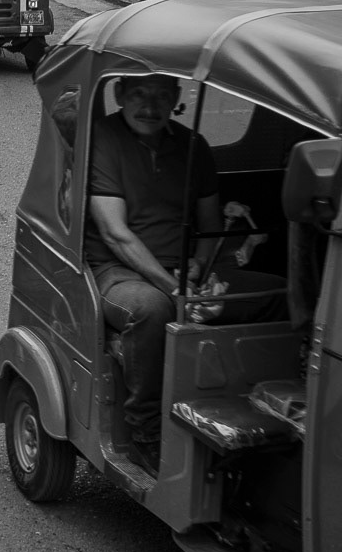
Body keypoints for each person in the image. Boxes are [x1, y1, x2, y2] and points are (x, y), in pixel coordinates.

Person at [86, 74, 287, 467]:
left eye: (162, 96)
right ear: (120, 94)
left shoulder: (192, 145)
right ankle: (145, 430)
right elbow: (115, 234)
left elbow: (208, 223)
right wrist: (175, 288)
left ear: (177, 99)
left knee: (275, 295)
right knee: (151, 308)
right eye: (140, 94)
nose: (150, 106)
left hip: (182, 272)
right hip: (118, 272)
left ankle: (261, 408)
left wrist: (199, 267)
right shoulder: (103, 140)